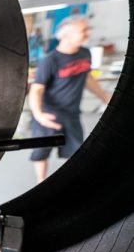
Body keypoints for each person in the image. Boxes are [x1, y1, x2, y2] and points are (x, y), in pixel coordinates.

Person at [29, 16, 112, 183]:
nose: (87, 33)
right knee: (41, 151)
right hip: (49, 114)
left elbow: (87, 77)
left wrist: (105, 97)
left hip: (72, 114)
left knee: (76, 152)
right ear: (66, 35)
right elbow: (36, 90)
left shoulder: (85, 53)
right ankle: (40, 183)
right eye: (83, 31)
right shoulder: (50, 61)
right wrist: (39, 116)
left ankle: (72, 183)